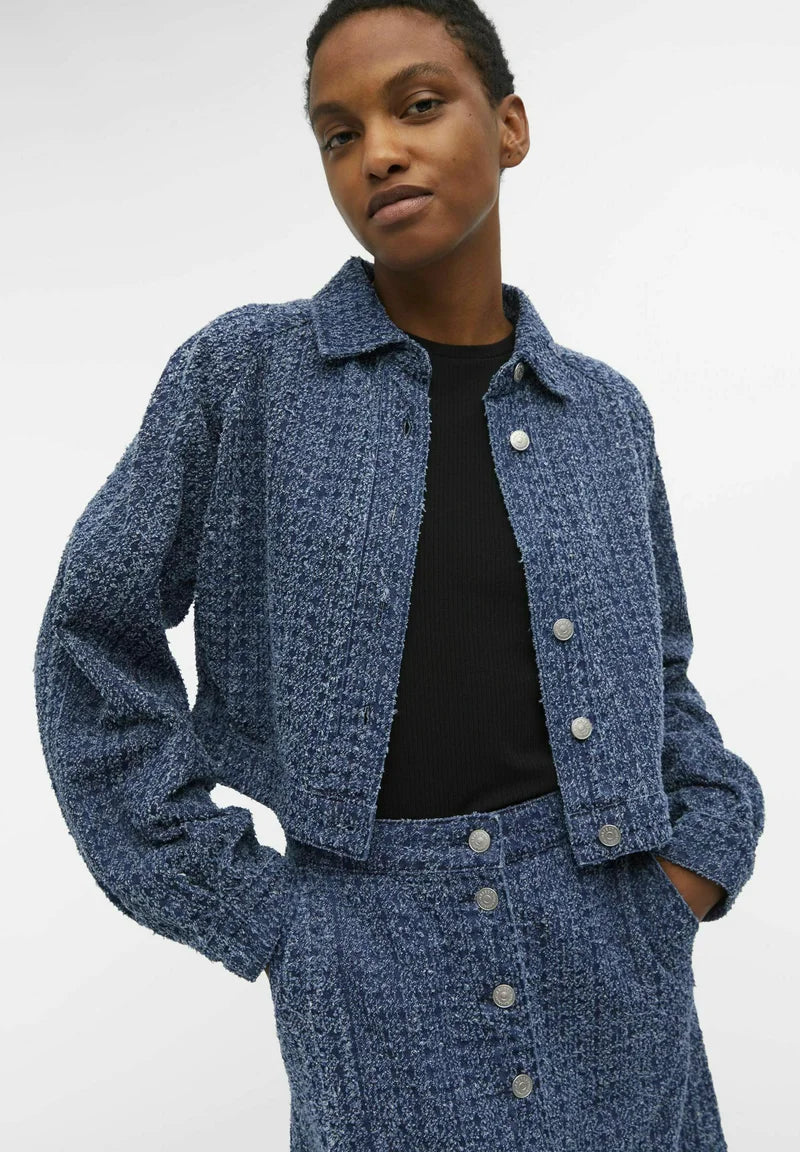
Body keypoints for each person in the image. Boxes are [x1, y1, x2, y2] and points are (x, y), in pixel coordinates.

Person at [33, 1, 765, 1149]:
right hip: (366, 975)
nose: (376, 151)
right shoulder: (245, 378)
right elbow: (91, 640)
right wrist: (262, 913)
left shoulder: (603, 414)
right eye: (338, 133)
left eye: (417, 106)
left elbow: (658, 675)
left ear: (508, 125)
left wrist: (694, 861)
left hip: (614, 956)